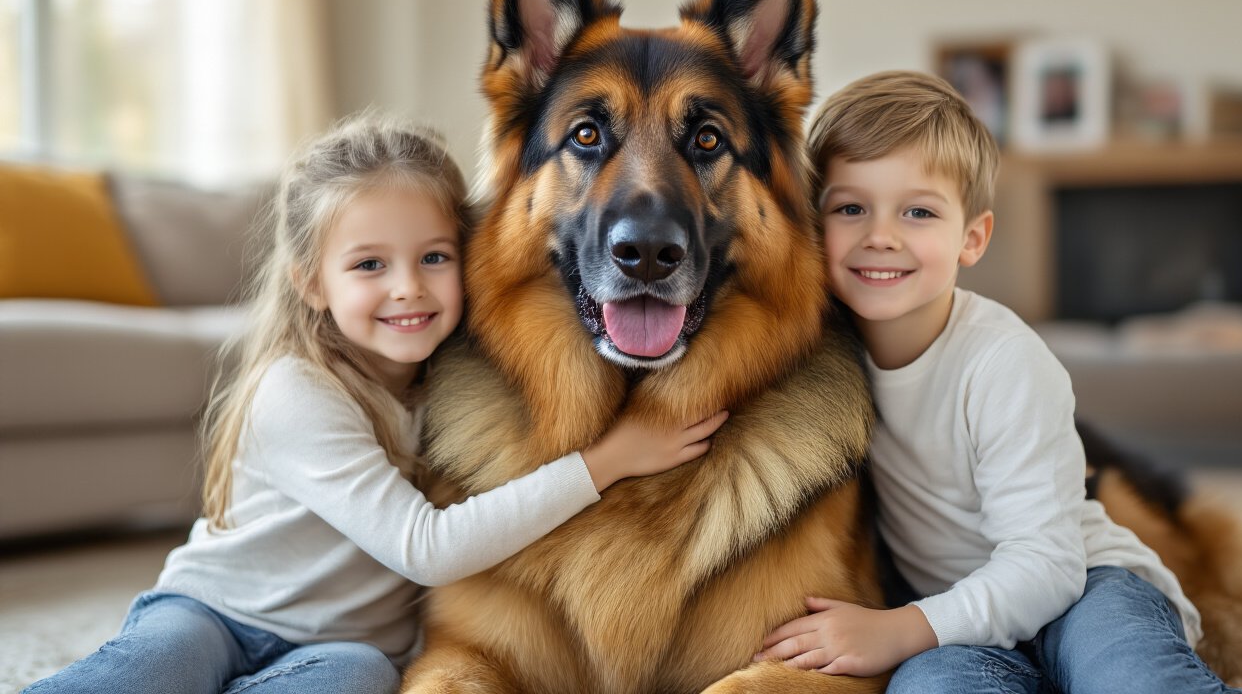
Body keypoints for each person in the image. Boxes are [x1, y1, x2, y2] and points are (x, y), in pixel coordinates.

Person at [25, 116, 726, 694]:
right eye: (369, 265)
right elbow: (426, 548)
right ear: (311, 282)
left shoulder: (456, 381)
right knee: (163, 664)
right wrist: (603, 462)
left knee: (360, 678)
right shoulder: (296, 393)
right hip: (216, 611)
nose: (408, 289)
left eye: (433, 258)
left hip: (342, 647)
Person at [754, 71, 1242, 693]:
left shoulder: (1004, 361)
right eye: (851, 208)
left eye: (918, 211)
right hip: (955, 615)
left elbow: (1048, 564)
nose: (881, 236)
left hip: (1083, 587)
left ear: (972, 238)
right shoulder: (823, 356)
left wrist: (900, 629)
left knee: (1129, 679)